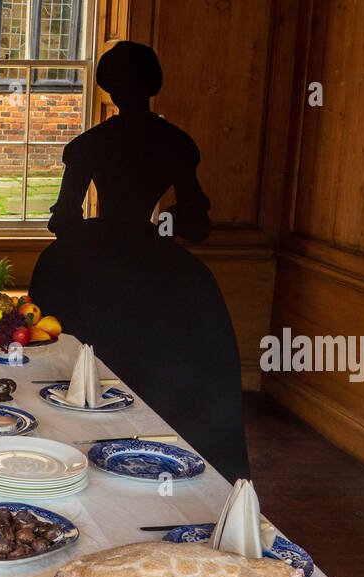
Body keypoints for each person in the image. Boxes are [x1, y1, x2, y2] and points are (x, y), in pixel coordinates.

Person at [30, 42, 250, 481]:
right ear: (155, 85)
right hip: (158, 264)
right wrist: (162, 222)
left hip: (95, 261)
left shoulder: (88, 145)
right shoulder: (177, 144)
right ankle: (168, 462)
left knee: (63, 361)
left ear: (106, 87)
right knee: (174, 369)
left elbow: (64, 221)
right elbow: (198, 226)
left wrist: (94, 241)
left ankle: (61, 455)